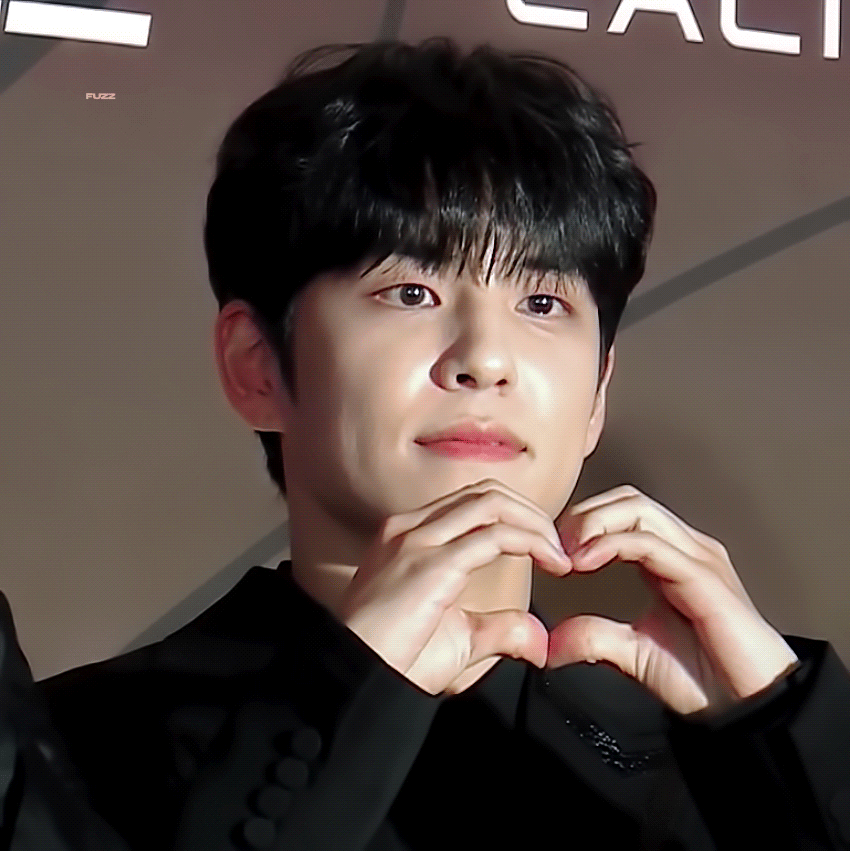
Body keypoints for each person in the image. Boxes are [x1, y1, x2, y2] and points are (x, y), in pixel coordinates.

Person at [5, 36, 847, 850]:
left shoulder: (721, 766)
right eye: (411, 292)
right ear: (257, 366)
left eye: (543, 304)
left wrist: (782, 724)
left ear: (597, 392)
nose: (485, 358)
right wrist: (345, 698)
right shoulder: (78, 752)